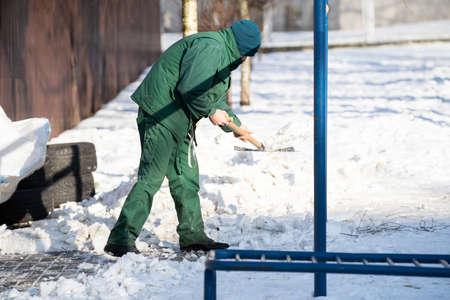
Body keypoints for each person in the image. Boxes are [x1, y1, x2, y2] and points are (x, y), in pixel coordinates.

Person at [104, 20, 261, 257]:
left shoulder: (222, 54)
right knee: (152, 177)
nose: (246, 60)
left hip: (180, 118)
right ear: (241, 47)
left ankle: (192, 236)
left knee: (186, 177)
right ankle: (120, 239)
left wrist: (236, 127)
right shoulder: (212, 48)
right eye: (247, 54)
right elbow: (190, 88)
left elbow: (212, 96)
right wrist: (209, 112)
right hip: (161, 114)